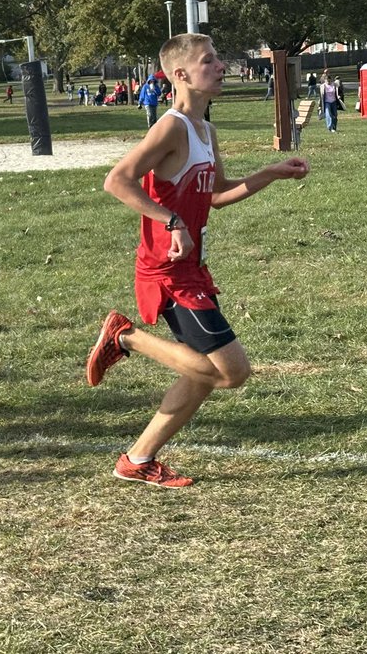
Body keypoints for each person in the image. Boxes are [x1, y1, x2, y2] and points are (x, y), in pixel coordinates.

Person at [86, 33, 309, 487]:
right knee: (231, 372)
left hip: (192, 269)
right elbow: (117, 180)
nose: (222, 66)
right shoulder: (169, 127)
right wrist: (171, 221)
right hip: (167, 272)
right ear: (181, 74)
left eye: (219, 60)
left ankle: (137, 459)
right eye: (210, 61)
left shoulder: (205, 128)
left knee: (204, 374)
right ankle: (125, 338)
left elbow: (217, 195)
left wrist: (269, 173)